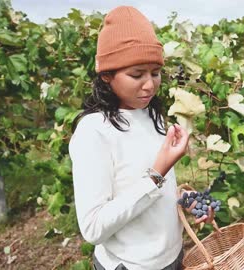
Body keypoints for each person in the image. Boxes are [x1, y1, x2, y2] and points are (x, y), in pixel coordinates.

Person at [68, 6, 213, 270]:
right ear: (106, 75)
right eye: (136, 75)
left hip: (172, 258)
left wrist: (185, 198)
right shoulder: (93, 132)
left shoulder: (151, 116)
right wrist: (158, 173)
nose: (149, 85)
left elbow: (153, 187)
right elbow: (93, 228)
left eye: (155, 73)